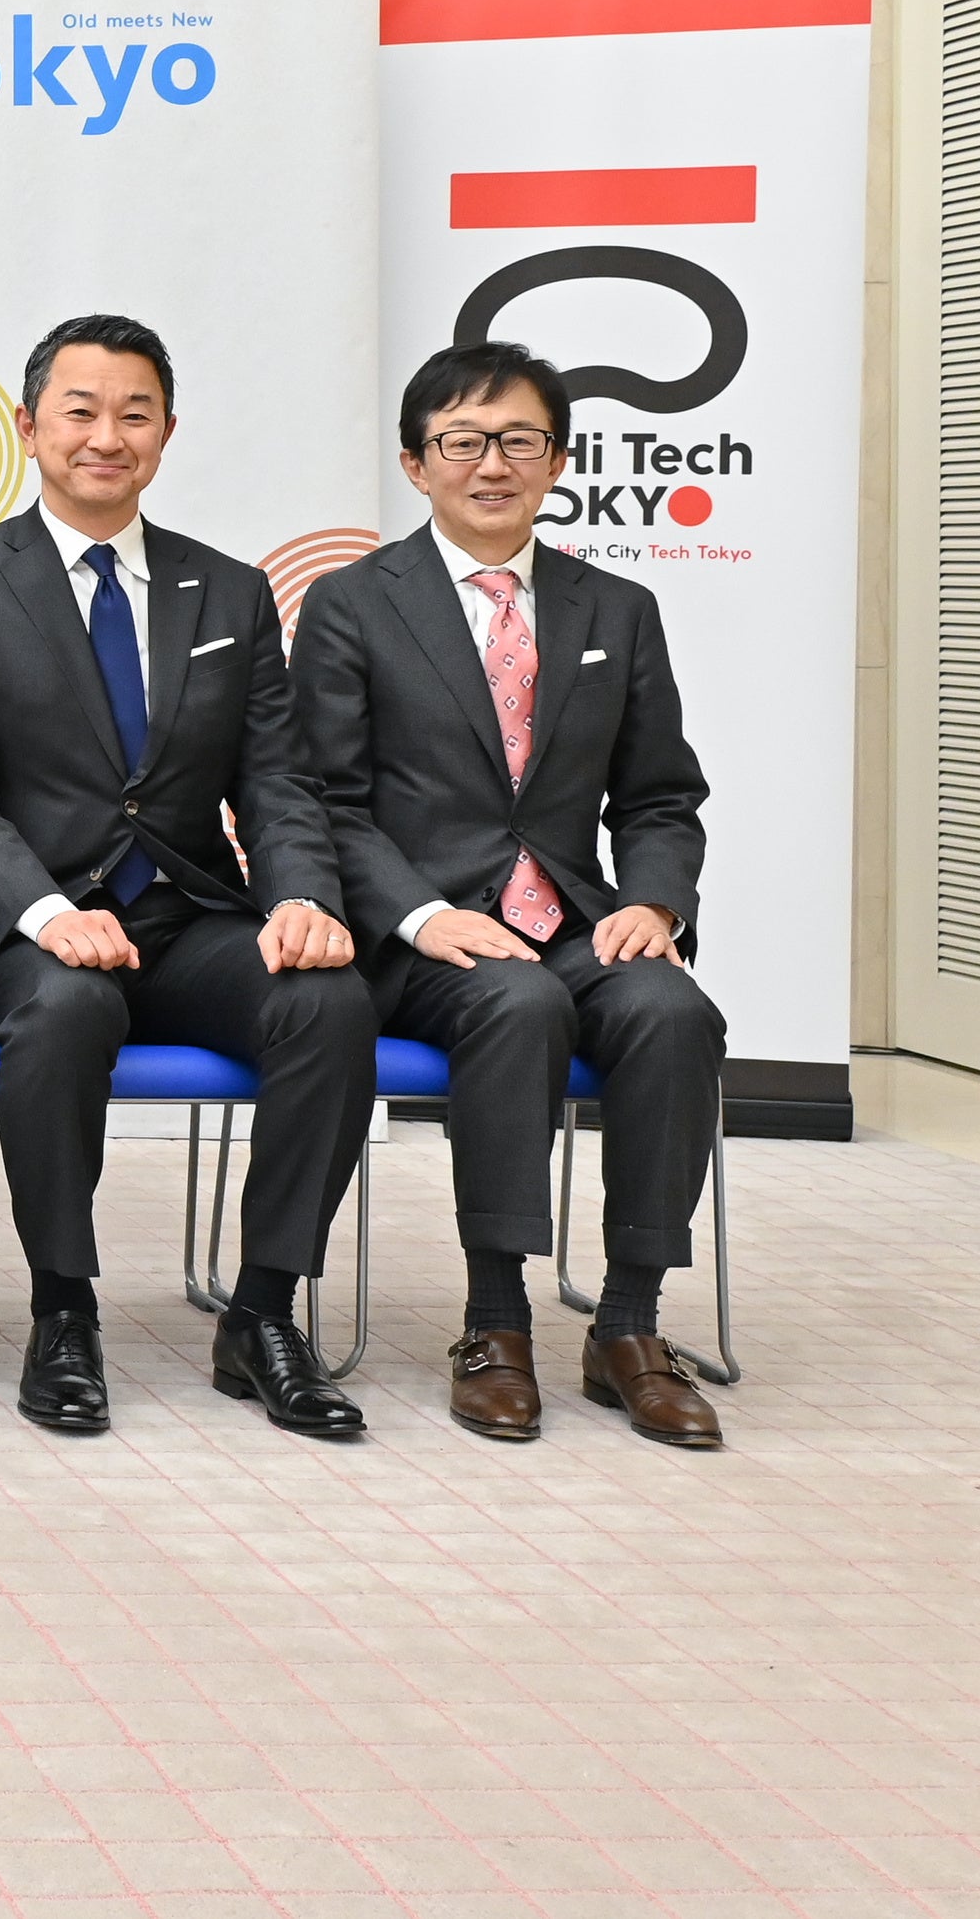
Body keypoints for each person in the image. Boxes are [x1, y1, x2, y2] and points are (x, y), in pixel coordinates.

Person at [0, 314, 375, 1439]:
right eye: (81, 411)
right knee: (68, 1008)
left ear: (166, 432)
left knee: (329, 1002)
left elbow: (277, 780)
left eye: (135, 414)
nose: (107, 436)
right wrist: (47, 912)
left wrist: (302, 895)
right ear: (29, 427)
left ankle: (262, 1313)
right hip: (19, 927)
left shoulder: (229, 591)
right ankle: (64, 1310)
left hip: (183, 912)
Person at [294, 340, 726, 1450]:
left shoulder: (616, 609)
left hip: (571, 919)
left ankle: (629, 1327)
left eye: (520, 440)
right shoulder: (352, 604)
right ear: (416, 462)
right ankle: (496, 1322)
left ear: (558, 459)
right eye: (463, 441)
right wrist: (423, 914)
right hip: (423, 934)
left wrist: (654, 904)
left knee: (675, 1012)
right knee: (517, 1003)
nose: (493, 463)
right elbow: (329, 801)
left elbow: (662, 796)